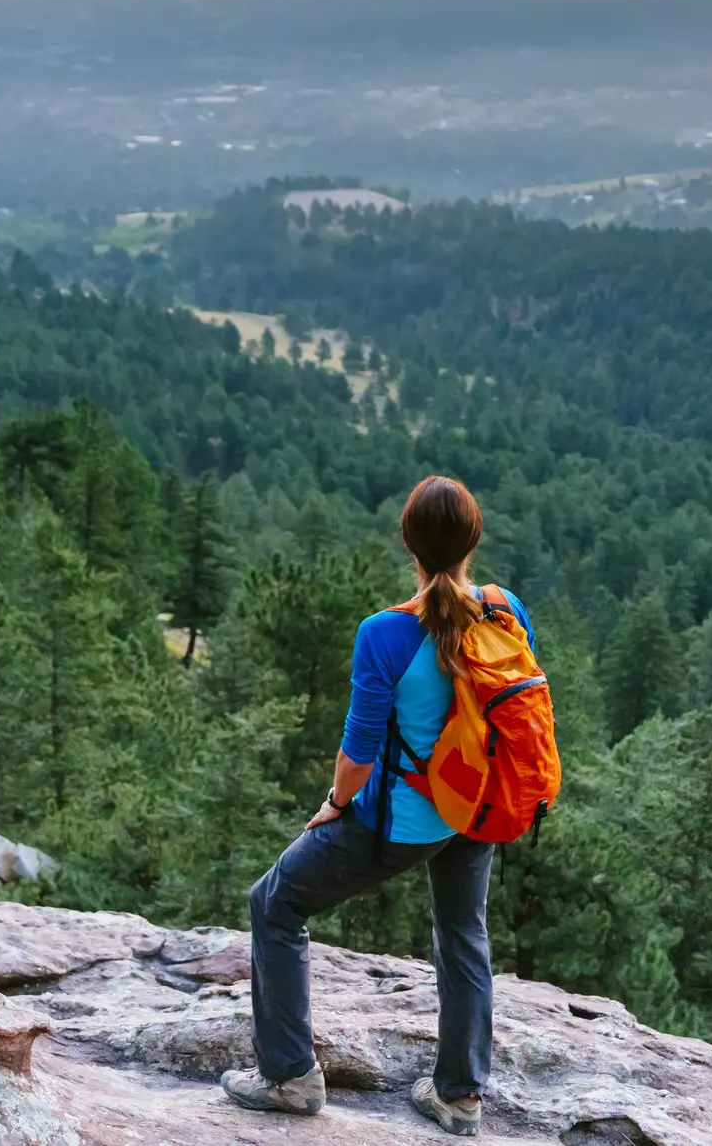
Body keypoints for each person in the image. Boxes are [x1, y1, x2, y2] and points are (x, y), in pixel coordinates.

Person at [220, 475, 529, 1138]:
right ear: (475, 540)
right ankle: (459, 1096)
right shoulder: (506, 610)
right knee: (463, 936)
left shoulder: (385, 633)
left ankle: (290, 1078)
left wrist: (334, 803)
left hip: (403, 822)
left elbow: (359, 754)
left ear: (407, 542)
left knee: (274, 902)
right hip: (474, 812)